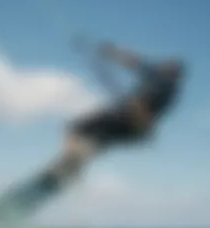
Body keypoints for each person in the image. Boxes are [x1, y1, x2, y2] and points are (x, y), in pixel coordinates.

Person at [37, 40, 186, 190]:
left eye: (168, 66)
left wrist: (136, 109)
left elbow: (147, 112)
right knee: (92, 140)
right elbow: (133, 61)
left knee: (79, 129)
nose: (162, 65)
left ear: (173, 74)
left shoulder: (167, 88)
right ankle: (70, 168)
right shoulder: (155, 73)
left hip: (130, 124)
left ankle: (70, 168)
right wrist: (110, 51)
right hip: (129, 123)